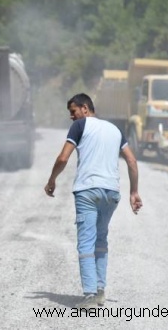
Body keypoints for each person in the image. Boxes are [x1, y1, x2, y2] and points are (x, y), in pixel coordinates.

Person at [44, 93, 142, 310]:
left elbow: (63, 158)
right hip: (112, 193)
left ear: (85, 108)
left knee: (86, 243)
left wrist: (51, 180)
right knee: (101, 241)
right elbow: (132, 160)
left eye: (73, 111)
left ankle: (90, 295)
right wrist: (134, 192)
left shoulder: (80, 127)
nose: (71, 117)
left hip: (87, 192)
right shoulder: (115, 130)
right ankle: (99, 290)